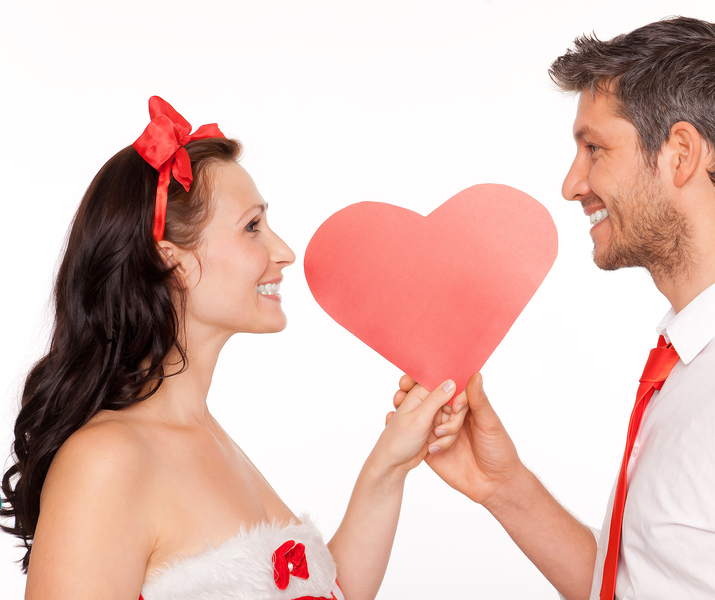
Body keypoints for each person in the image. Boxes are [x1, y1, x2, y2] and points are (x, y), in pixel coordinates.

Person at [397, 17, 715, 600]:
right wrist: (502, 486)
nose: (571, 184)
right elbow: (648, 582)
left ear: (680, 154)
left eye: (594, 148)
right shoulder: (700, 356)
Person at [0, 96, 468, 600]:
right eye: (252, 227)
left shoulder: (208, 435)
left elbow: (326, 591)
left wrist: (389, 466)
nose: (284, 252)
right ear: (172, 263)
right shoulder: (105, 462)